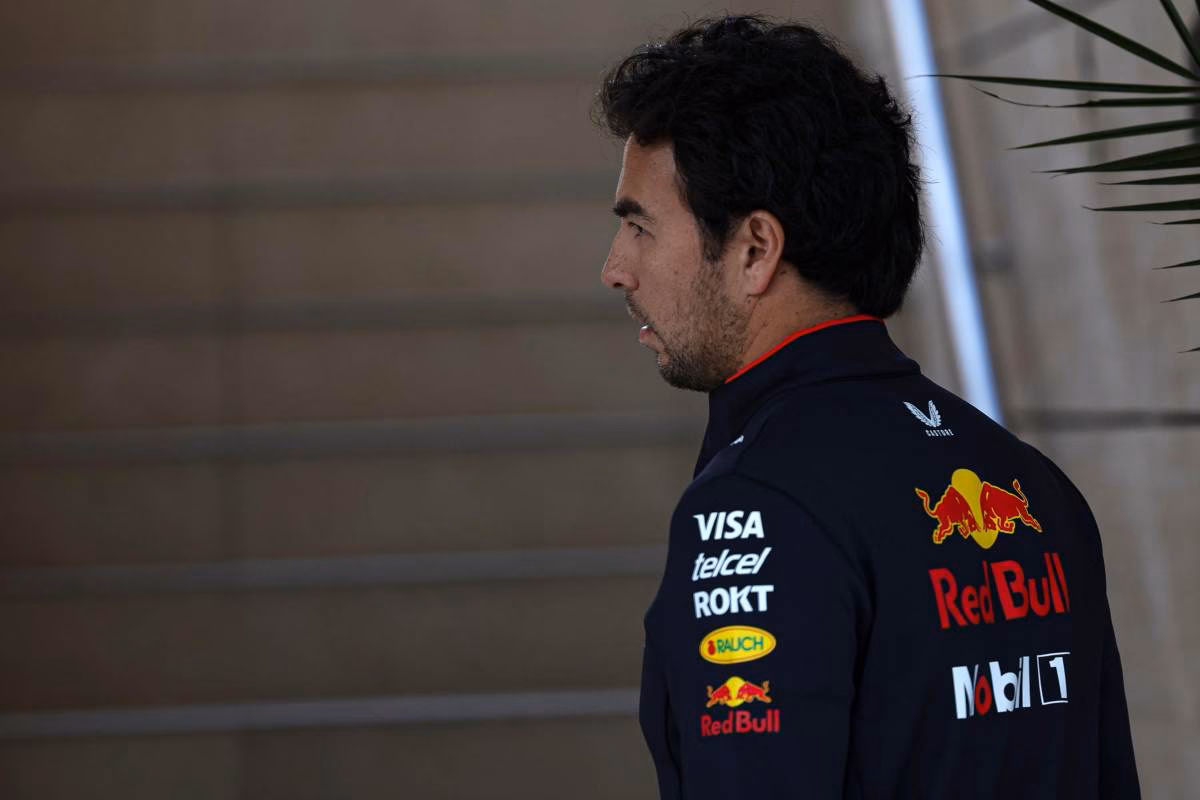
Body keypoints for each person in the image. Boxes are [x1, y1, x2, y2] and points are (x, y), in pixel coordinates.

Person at [593, 14, 1140, 799]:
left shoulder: (756, 507)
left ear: (754, 249)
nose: (616, 270)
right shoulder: (1035, 487)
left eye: (640, 228)